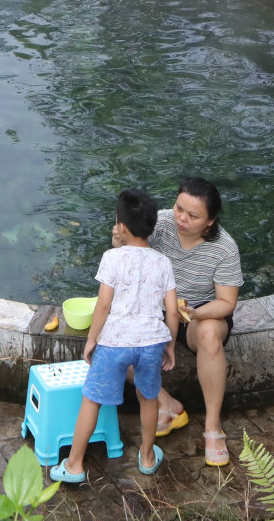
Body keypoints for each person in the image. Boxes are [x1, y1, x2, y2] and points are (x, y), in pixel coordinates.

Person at [51, 189, 178, 484]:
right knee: (149, 399)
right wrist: (169, 345)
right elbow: (171, 312)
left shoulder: (111, 257)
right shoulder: (163, 262)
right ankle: (147, 457)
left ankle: (74, 464)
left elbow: (104, 305)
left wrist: (92, 339)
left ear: (120, 226)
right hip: (151, 343)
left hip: (114, 343)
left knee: (92, 399)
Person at [148, 178, 242, 467]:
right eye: (179, 208)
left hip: (197, 313)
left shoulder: (224, 248)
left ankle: (213, 428)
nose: (181, 218)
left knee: (211, 333)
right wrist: (119, 237)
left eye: (192, 215)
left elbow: (227, 302)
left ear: (210, 221)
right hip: (158, 311)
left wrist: (196, 313)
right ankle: (166, 403)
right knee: (113, 335)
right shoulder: (160, 223)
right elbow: (127, 249)